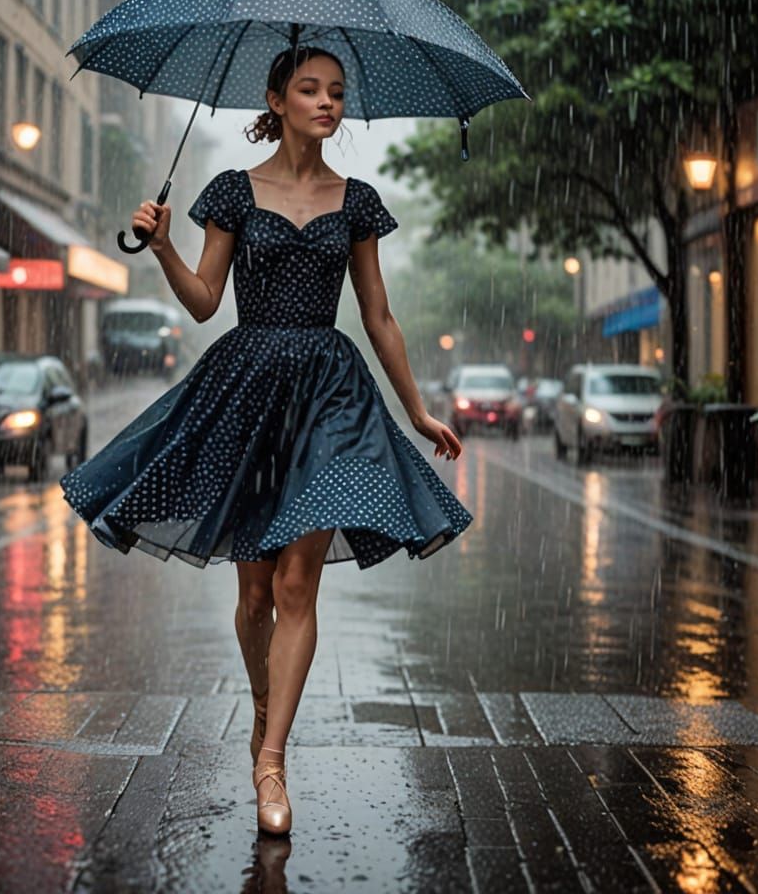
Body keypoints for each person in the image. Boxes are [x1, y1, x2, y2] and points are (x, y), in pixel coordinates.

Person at [60, 45, 474, 836]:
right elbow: (204, 301)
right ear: (277, 100)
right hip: (247, 391)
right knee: (254, 596)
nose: (327, 103)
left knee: (295, 588)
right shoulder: (231, 191)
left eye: (337, 92)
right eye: (310, 90)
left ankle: (271, 760)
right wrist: (163, 247)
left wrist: (417, 410)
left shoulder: (357, 202)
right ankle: (262, 706)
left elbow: (379, 315)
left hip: (329, 395)